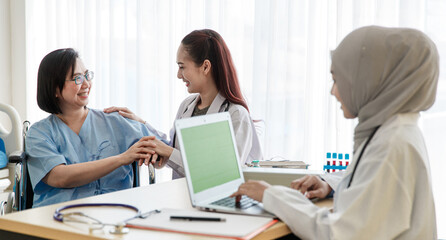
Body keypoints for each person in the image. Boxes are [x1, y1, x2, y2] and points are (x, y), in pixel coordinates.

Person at [231, 26, 438, 239]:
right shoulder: (396, 131)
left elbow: (339, 234)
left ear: (367, 80)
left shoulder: (392, 145)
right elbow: (370, 185)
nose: (333, 91)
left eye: (337, 79)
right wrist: (329, 184)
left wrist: (271, 195)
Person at [104, 29, 262, 179]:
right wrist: (141, 124)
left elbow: (223, 174)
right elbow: (173, 151)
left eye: (182, 67)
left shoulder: (236, 115)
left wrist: (167, 151)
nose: (179, 75)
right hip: (182, 198)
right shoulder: (187, 105)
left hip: (218, 204)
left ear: (205, 66)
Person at [26, 48, 159, 208]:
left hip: (115, 218)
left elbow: (163, 150)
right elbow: (60, 177)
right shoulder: (39, 133)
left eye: (87, 75)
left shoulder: (115, 121)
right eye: (77, 78)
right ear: (55, 88)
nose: (87, 84)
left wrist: (142, 122)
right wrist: (122, 158)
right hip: (59, 219)